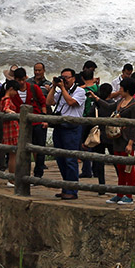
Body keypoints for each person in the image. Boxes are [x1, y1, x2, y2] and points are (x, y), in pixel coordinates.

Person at [45, 68, 86, 200]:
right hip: (60, 127)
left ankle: (72, 191)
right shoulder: (60, 91)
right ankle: (65, 188)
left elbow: (71, 102)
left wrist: (62, 89)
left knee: (70, 159)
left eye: (67, 77)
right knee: (60, 159)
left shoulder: (80, 91)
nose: (64, 80)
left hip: (72, 128)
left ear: (74, 78)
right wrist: (53, 87)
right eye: (62, 77)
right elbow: (49, 102)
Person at [106, 78, 135, 205]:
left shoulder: (134, 106)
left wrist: (131, 143)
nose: (119, 90)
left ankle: (129, 195)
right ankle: (120, 193)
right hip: (117, 138)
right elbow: (109, 106)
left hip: (127, 140)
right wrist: (97, 99)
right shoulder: (120, 101)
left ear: (127, 89)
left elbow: (133, 127)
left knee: (128, 169)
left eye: (121, 88)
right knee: (119, 167)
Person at [0, 80, 22, 183]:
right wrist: (12, 112)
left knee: (12, 155)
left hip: (7, 130)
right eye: (15, 91)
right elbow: (6, 108)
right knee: (13, 155)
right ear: (10, 89)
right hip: (12, 129)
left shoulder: (1, 99)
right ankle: (12, 180)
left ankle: (12, 178)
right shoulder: (7, 99)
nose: (16, 93)